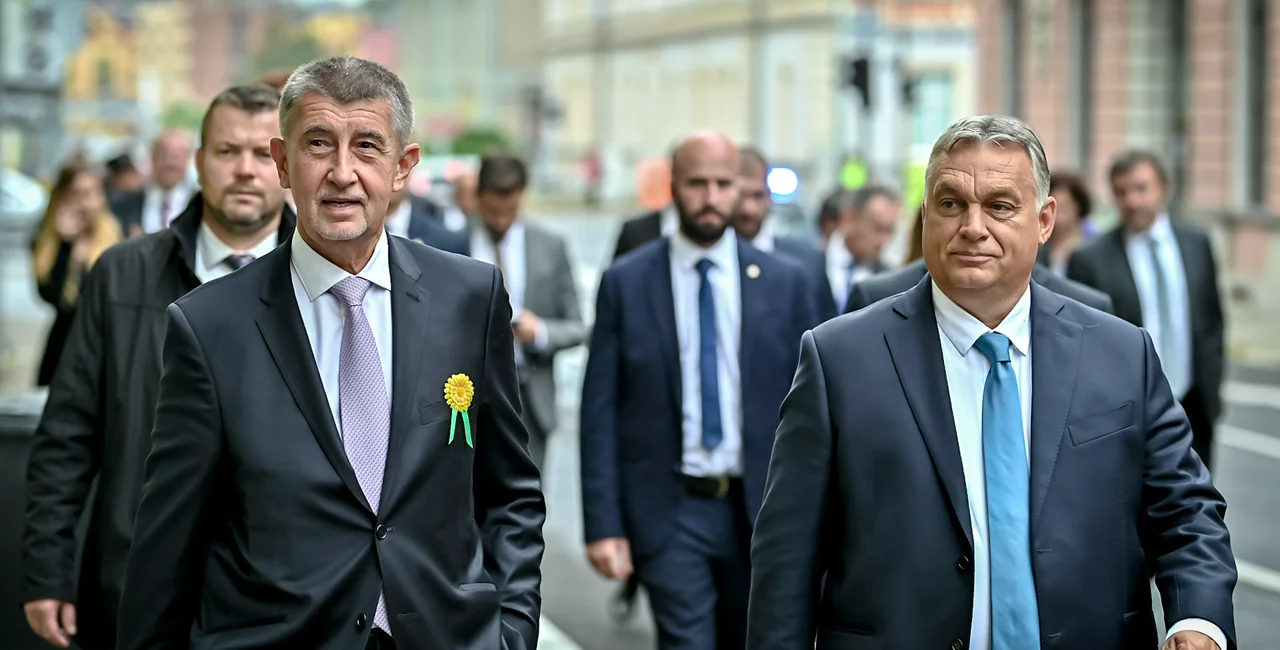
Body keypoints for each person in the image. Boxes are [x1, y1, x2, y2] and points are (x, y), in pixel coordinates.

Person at [747, 115, 1236, 650]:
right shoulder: (837, 359)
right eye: (951, 203)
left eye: (1000, 206)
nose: (973, 227)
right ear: (927, 214)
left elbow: (1187, 511)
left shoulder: (1120, 352)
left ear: (1045, 220)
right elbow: (786, 562)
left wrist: (1199, 622)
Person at [116, 56, 545, 650]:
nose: (342, 173)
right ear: (284, 164)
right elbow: (170, 544)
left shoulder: (471, 297)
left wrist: (513, 632)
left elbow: (510, 493)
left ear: (403, 168)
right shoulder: (209, 326)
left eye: (367, 146)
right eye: (319, 145)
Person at [21, 83, 294, 650]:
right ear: (198, 163)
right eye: (226, 152)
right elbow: (67, 435)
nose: (245, 170)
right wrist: (47, 571)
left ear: (287, 167)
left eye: (262, 154)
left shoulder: (327, 286)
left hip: (282, 600)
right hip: (134, 587)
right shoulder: (121, 276)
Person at [581, 130, 819, 649]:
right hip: (669, 510)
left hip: (760, 510)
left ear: (740, 188)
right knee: (686, 641)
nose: (711, 198)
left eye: (722, 183)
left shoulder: (787, 282)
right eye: (697, 184)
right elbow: (599, 407)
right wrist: (603, 524)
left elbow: (816, 411)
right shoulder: (628, 282)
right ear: (672, 187)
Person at [1067, 151, 1225, 471]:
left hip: (1195, 403)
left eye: (1141, 189)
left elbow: (1212, 320)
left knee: (1200, 503)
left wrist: (1213, 386)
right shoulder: (1090, 259)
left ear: (1164, 188)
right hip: (1129, 407)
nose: (1132, 200)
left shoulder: (1197, 244)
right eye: (1122, 192)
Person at [467, 153, 586, 470]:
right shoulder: (451, 243)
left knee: (526, 504)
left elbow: (578, 325)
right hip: (462, 397)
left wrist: (540, 332)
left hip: (529, 400)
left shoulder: (550, 246)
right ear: (477, 198)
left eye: (510, 211)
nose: (501, 221)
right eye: (492, 211)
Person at [29, 161, 122, 387]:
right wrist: (64, 247)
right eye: (78, 194)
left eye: (93, 192)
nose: (87, 203)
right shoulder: (49, 241)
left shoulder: (118, 238)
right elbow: (52, 298)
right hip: (62, 347)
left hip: (105, 348)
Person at [731, 146, 837, 321]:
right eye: (740, 197)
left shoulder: (808, 262)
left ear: (769, 196)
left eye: (757, 196)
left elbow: (827, 334)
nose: (748, 209)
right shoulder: (707, 264)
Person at [824, 185, 901, 314]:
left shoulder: (890, 280)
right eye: (878, 228)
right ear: (849, 219)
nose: (884, 240)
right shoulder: (809, 264)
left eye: (890, 231)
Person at [110, 130, 195, 236]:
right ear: (153, 157)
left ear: (188, 160)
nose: (170, 163)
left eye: (177, 156)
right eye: (165, 155)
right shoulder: (124, 206)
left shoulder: (201, 207)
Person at [1038, 171, 1093, 275]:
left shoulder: (1094, 246)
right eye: (1054, 206)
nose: (1060, 213)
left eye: (1065, 205)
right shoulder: (1038, 248)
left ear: (1078, 206)